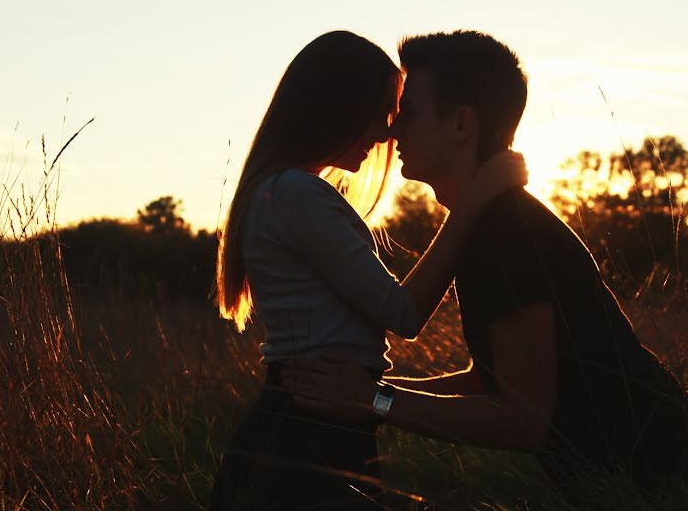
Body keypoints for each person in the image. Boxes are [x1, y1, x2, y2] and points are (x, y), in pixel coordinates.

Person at [287, 31, 688, 509]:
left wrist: (375, 401)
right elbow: (493, 380)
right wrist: (374, 393)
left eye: (408, 112)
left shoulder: (505, 234)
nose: (392, 132)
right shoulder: (490, 223)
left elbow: (523, 418)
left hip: (681, 485)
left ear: (461, 124)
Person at [208, 30, 528, 510]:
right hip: (307, 432)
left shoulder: (286, 193)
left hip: (317, 422)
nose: (387, 132)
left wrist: (380, 396)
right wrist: (474, 202)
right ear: (337, 108)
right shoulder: (295, 194)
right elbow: (402, 312)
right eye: (381, 114)